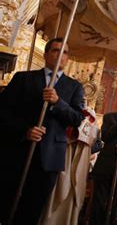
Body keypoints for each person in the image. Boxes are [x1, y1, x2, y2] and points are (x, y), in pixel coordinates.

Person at [0, 37, 85, 225]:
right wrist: (25, 131)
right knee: (6, 204)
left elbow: (78, 119)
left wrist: (58, 103)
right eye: (56, 50)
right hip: (17, 152)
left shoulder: (74, 87)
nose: (60, 55)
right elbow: (3, 112)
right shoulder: (23, 78)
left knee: (32, 209)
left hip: (49, 157)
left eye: (65, 52)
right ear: (46, 54)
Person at [90, 91, 117, 225]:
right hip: (105, 166)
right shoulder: (109, 117)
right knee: (98, 203)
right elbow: (105, 136)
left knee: (115, 204)